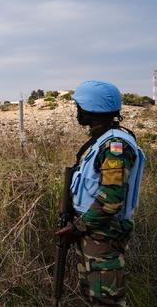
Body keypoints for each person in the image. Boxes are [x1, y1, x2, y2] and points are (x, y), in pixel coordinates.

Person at [56, 80, 145, 306]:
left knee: (106, 300)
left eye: (80, 107)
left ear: (92, 110)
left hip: (103, 235)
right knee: (93, 297)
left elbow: (111, 200)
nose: (77, 111)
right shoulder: (101, 141)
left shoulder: (115, 145)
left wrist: (77, 228)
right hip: (92, 233)